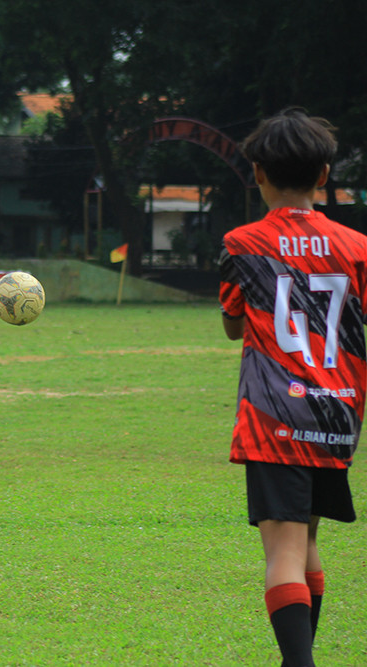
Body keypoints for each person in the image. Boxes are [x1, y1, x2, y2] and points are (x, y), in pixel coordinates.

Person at [219, 108, 366, 667]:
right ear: (324, 176)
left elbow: (235, 324)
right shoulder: (357, 247)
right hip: (336, 414)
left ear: (257, 173)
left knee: (282, 549)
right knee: (305, 540)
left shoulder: (242, 243)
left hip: (275, 414)